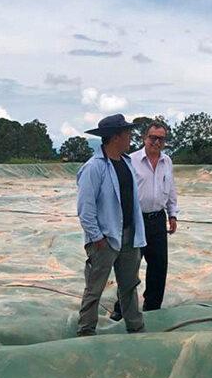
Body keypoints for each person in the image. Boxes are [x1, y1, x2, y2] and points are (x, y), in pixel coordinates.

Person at [76, 114, 146, 336]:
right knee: (94, 289)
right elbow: (85, 210)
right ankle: (86, 331)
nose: (130, 138)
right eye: (127, 134)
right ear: (115, 137)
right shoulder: (93, 168)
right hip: (104, 241)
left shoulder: (126, 163)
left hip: (128, 236)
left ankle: (135, 328)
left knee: (129, 287)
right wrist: (97, 238)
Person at [111, 120, 178, 320]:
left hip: (158, 219)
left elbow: (172, 190)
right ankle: (121, 309)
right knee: (130, 267)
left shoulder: (167, 162)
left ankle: (152, 308)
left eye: (161, 139)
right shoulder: (130, 160)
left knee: (158, 267)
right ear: (144, 138)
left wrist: (172, 214)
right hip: (135, 221)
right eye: (152, 138)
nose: (156, 142)